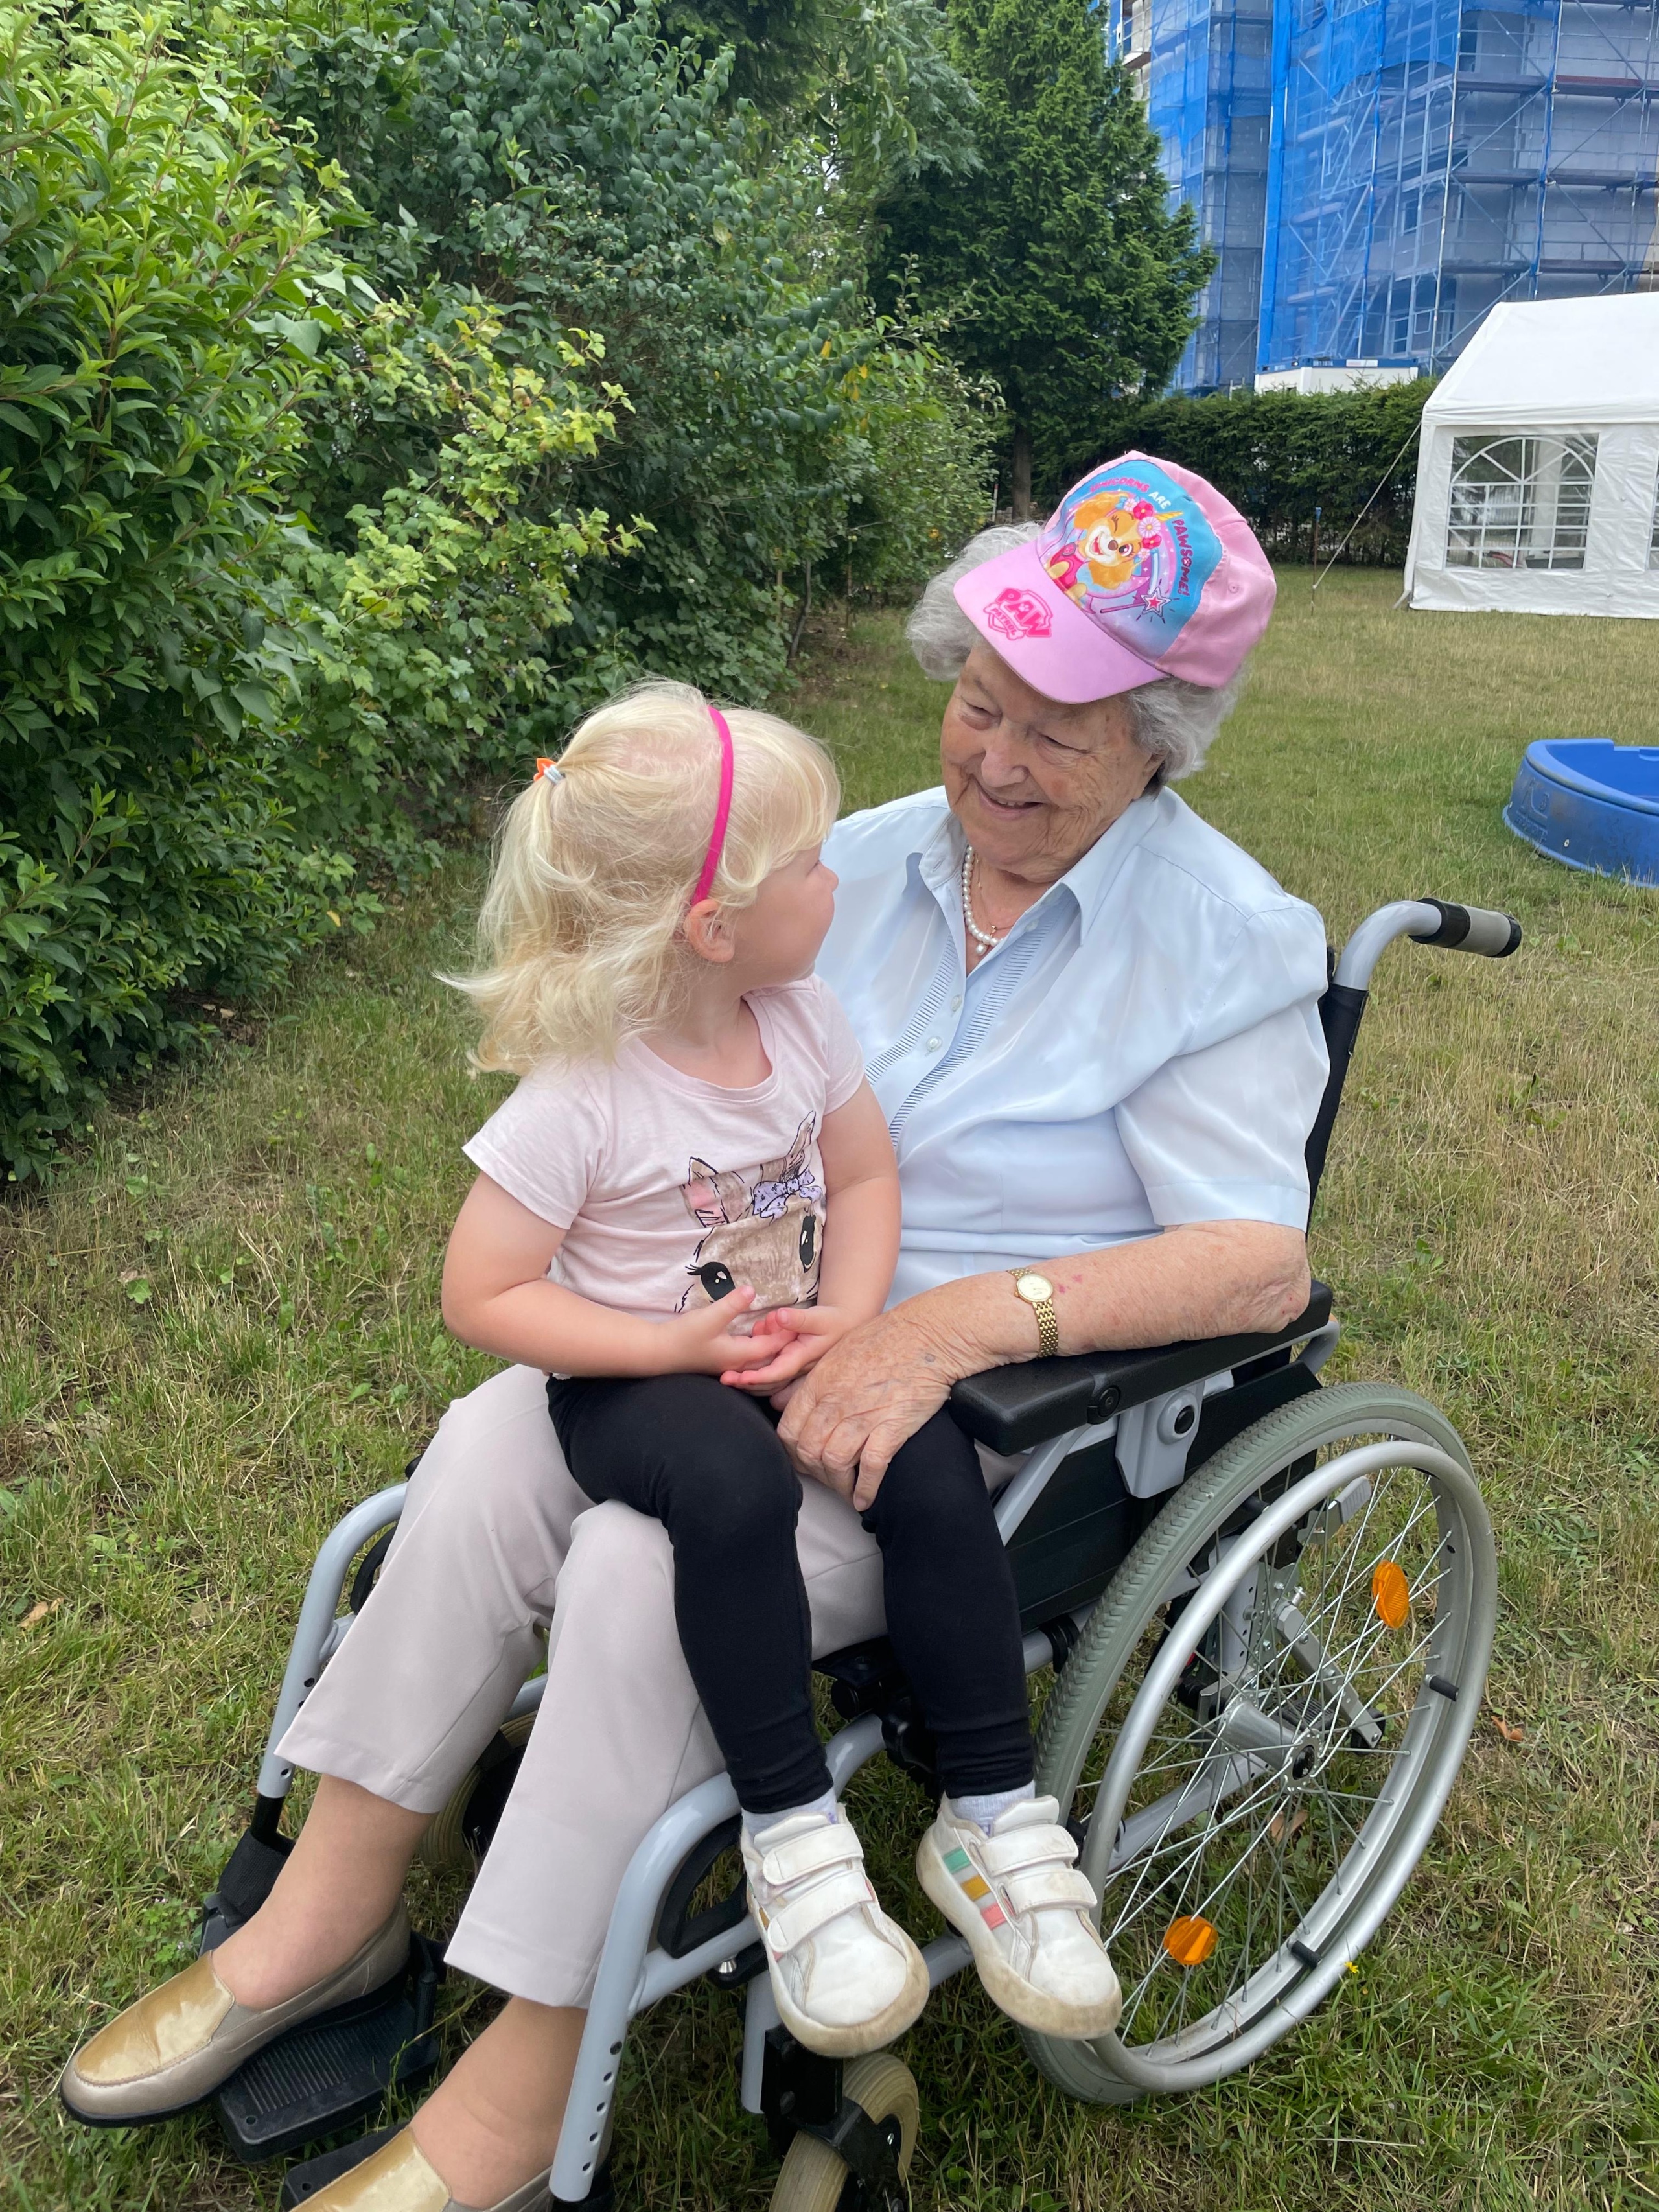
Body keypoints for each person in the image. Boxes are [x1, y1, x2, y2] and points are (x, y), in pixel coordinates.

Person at [61, 452, 1330, 2212]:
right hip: (731, 1329)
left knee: (632, 1571)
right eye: (979, 701)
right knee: (490, 1441)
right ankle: (330, 1910)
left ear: (1163, 743)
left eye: (1058, 733)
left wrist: (947, 1324)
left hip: (981, 1417)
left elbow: (1260, 1261)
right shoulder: (852, 861)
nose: (993, 760)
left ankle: (530, 2071)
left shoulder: (1226, 941)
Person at [437, 682, 1117, 2058]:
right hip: (633, 1380)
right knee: (734, 1492)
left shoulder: (803, 1020)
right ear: (713, 927)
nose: (837, 880)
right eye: (809, 865)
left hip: (790, 1341)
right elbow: (481, 1292)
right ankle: (792, 1831)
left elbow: (863, 1177)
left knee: (925, 1463)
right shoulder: (583, 1089)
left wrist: (854, 1319)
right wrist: (667, 1349)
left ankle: (989, 1810)